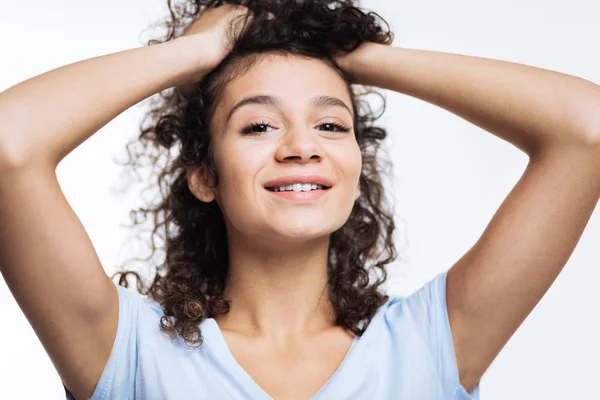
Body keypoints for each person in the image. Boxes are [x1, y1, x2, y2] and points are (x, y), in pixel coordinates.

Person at [1, 0, 599, 399]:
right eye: (259, 126)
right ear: (205, 176)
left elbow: (587, 129)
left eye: (332, 126)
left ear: (356, 169)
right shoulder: (127, 352)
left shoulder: (430, 343)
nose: (301, 148)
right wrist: (196, 54)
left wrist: (352, 55)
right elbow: (9, 143)